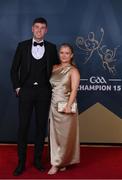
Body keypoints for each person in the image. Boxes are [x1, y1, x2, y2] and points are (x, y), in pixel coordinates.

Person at [10, 17, 59, 176]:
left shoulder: (52, 48)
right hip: (26, 91)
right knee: (23, 127)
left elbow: (57, 70)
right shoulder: (22, 46)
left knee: (40, 127)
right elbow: (13, 70)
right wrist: (18, 87)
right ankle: (21, 162)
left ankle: (37, 160)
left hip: (44, 93)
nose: (39, 30)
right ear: (32, 29)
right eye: (36, 27)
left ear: (46, 30)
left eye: (42, 27)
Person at [48, 43, 80, 175]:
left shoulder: (73, 70)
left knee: (65, 137)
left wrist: (68, 105)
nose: (64, 55)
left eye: (67, 53)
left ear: (71, 55)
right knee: (54, 136)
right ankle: (60, 161)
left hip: (66, 107)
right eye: (62, 52)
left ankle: (57, 163)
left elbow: (74, 90)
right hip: (53, 106)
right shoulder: (54, 68)